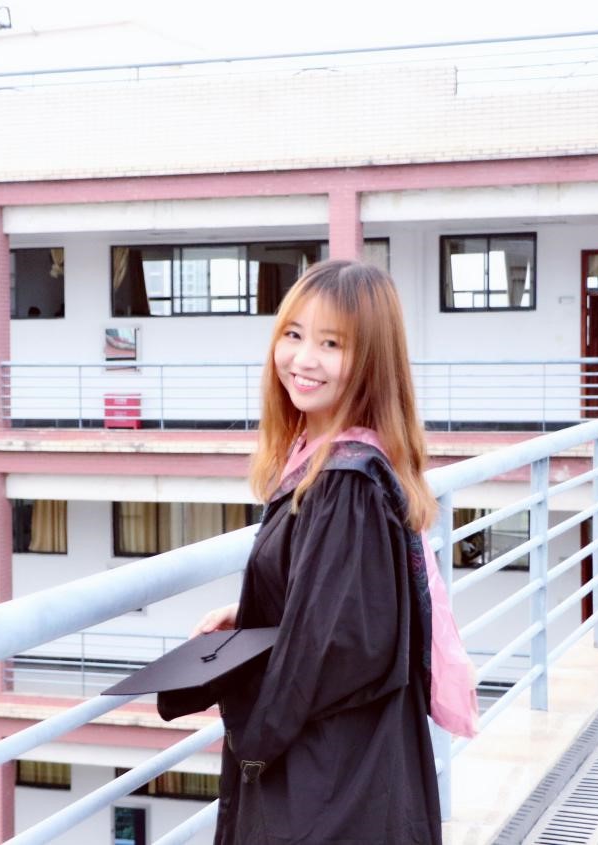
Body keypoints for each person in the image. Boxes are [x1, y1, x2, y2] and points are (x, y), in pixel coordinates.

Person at [191, 259, 442, 844]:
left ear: (371, 361)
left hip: (325, 779)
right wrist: (260, 614)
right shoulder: (342, 459)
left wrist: (253, 741)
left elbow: (331, 651)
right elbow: (343, 606)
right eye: (294, 334)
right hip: (350, 761)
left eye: (332, 344)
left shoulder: (343, 485)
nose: (303, 359)